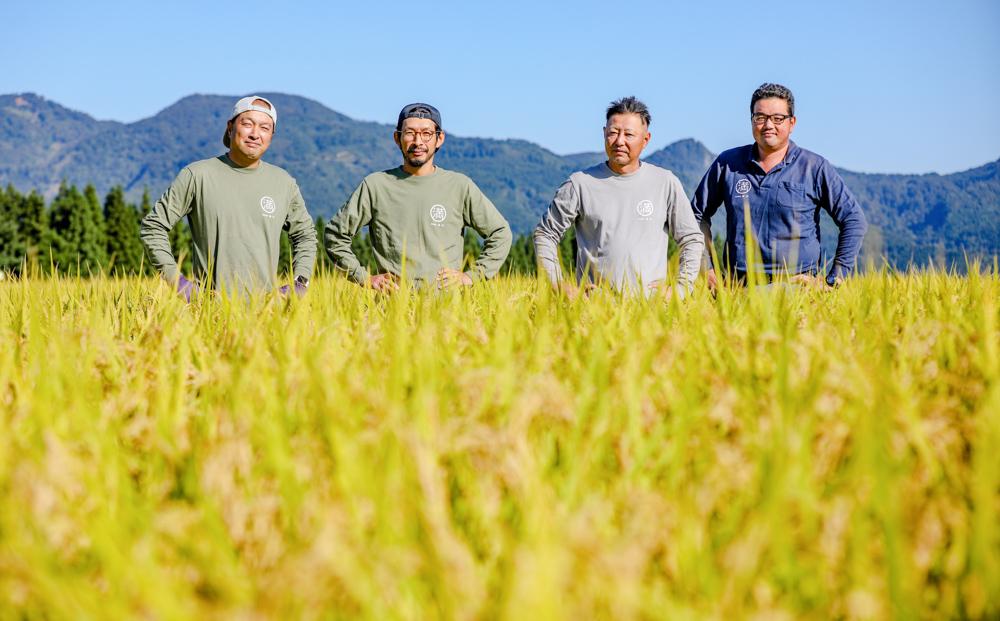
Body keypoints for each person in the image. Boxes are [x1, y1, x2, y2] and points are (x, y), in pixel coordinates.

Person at [691, 83, 867, 288]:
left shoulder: (813, 167)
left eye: (778, 118)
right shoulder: (728, 163)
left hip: (798, 286)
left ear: (792, 123)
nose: (768, 125)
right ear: (751, 121)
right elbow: (695, 215)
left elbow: (853, 219)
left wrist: (835, 277)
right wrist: (706, 266)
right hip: (738, 287)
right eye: (760, 117)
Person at [140, 95, 317, 299]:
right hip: (208, 312)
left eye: (264, 128)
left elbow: (305, 236)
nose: (255, 134)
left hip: (268, 315)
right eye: (247, 124)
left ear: (272, 135)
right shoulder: (198, 175)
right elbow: (153, 227)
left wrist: (301, 283)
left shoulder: (284, 183)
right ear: (230, 127)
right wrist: (179, 283)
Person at [325, 103, 512, 291]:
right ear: (397, 138)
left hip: (450, 313)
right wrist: (364, 278)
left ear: (439, 139)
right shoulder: (376, 186)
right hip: (392, 311)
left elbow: (500, 233)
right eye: (410, 133)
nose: (418, 141)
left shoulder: (459, 186)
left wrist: (473, 276)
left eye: (426, 134)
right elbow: (335, 235)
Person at [533, 96, 704, 297]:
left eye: (629, 134)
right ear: (604, 133)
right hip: (594, 309)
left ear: (646, 139)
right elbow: (545, 234)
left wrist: (681, 289)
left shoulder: (665, 182)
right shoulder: (580, 183)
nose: (619, 141)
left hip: (652, 311)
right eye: (613, 132)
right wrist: (559, 286)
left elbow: (691, 239)